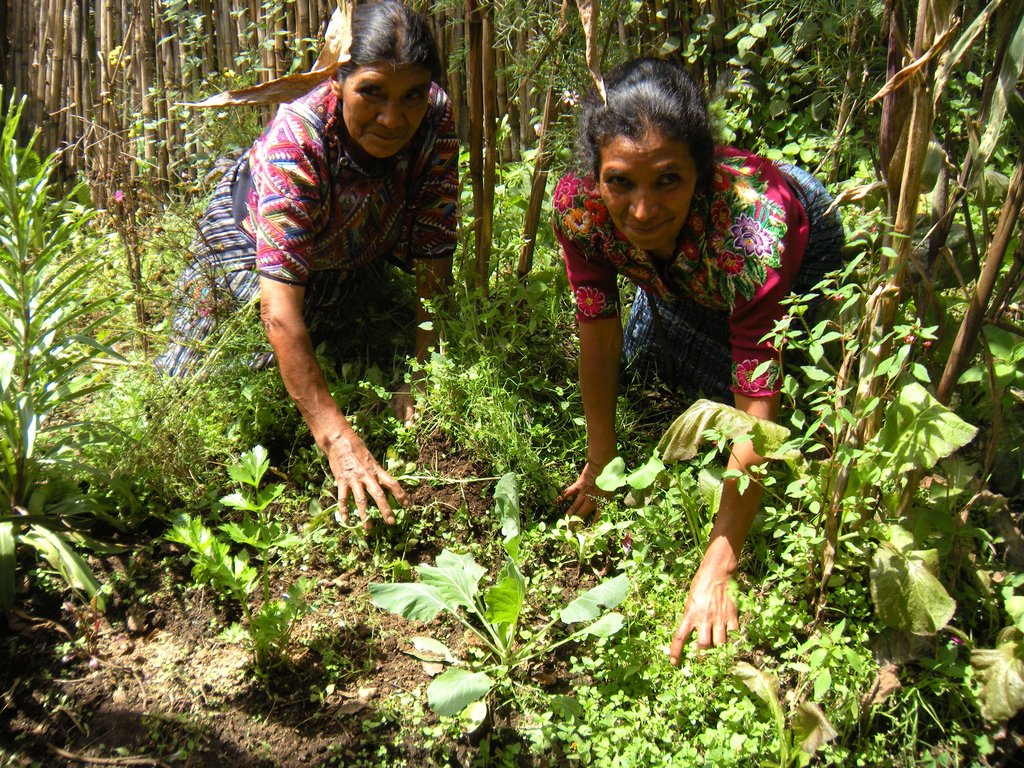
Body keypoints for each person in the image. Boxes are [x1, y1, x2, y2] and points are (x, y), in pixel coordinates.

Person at [551, 58, 844, 662]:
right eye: (619, 182)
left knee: (802, 425)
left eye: (666, 180)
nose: (640, 209)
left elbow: (754, 415)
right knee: (652, 369)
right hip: (690, 258)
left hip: (792, 236)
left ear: (700, 170)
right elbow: (598, 334)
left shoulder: (751, 227)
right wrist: (601, 461)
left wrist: (719, 562)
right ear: (595, 176)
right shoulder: (579, 209)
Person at [155, 0, 458, 531]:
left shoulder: (435, 115)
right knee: (206, 380)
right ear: (338, 81)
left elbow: (434, 248)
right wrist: (337, 437)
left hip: (354, 248)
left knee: (354, 346)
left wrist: (422, 373)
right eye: (372, 93)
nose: (393, 118)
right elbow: (277, 310)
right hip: (248, 246)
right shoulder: (299, 137)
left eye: (411, 95)